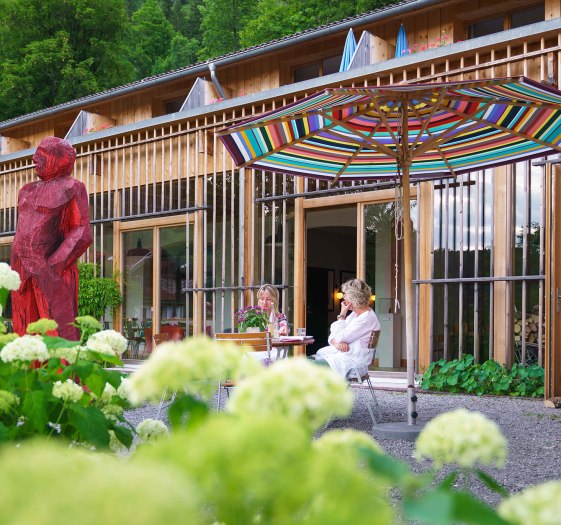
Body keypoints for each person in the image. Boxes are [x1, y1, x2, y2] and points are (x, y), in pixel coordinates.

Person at [10, 137, 92, 340]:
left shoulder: (72, 187)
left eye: (41, 153)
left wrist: (55, 264)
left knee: (59, 332)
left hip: (52, 269)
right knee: (24, 332)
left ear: (59, 158)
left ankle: (63, 373)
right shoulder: (26, 190)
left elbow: (82, 231)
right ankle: (28, 371)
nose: (34, 158)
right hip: (20, 269)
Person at [313, 278, 380, 378]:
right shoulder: (355, 314)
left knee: (302, 367)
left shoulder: (366, 319)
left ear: (354, 298)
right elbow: (333, 336)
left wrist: (342, 315)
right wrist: (337, 343)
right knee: (303, 362)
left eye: (345, 295)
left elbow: (339, 335)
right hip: (341, 357)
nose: (343, 298)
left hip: (350, 363)